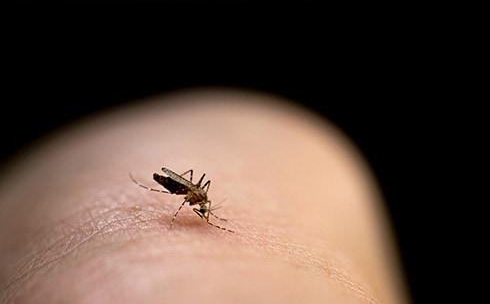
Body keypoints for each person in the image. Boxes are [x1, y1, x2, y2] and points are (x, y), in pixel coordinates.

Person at [0, 88, 409, 303]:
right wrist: (182, 207)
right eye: (202, 208)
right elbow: (191, 195)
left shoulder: (202, 197)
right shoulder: (191, 196)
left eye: (202, 208)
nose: (202, 207)